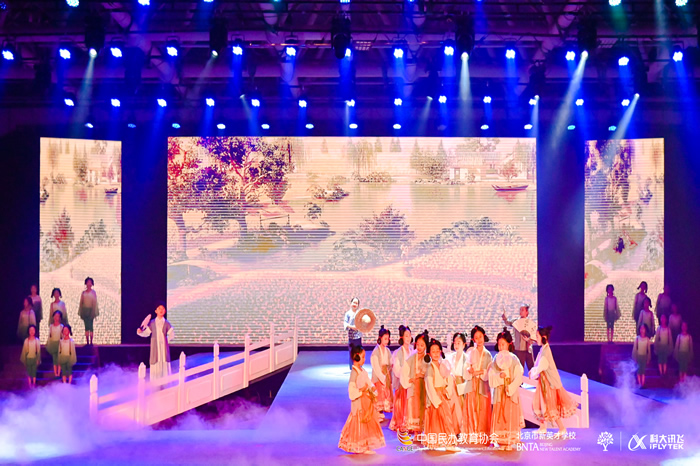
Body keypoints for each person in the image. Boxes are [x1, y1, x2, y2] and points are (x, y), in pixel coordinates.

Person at [530, 326, 577, 437]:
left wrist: (533, 372)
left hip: (548, 383)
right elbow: (538, 365)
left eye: (537, 336)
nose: (536, 338)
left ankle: (562, 428)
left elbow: (541, 366)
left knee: (550, 406)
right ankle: (542, 427)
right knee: (541, 404)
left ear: (544, 337)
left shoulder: (546, 351)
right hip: (543, 382)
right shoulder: (543, 349)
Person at [338, 345, 385, 455]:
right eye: (363, 357)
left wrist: (372, 388)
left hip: (365, 402)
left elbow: (367, 381)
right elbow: (351, 391)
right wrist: (361, 390)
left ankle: (365, 445)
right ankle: (361, 446)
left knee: (366, 422)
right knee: (360, 424)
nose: (364, 359)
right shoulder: (354, 373)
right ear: (356, 356)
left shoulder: (361, 370)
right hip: (359, 403)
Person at [488, 328, 525, 451]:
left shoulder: (514, 359)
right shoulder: (495, 359)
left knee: (509, 415)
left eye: (503, 344)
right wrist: (499, 376)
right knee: (500, 415)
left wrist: (510, 386)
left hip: (510, 393)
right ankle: (501, 441)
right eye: (499, 345)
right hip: (499, 393)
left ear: (509, 344)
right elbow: (491, 376)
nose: (501, 347)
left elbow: (519, 376)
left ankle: (509, 442)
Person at [423, 339, 459, 451]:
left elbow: (448, 378)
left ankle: (448, 443)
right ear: (429, 353)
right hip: (436, 397)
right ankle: (441, 443)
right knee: (437, 420)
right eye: (433, 351)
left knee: (446, 419)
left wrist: (447, 390)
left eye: (437, 351)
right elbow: (429, 385)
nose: (435, 353)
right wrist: (436, 400)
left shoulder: (442, 365)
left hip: (443, 395)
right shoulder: (430, 368)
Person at [465, 325, 492, 445]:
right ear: (473, 340)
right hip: (472, 384)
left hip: (483, 384)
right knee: (472, 408)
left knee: (483, 409)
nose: (479, 340)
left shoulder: (488, 354)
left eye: (480, 337)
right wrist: (469, 369)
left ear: (484, 337)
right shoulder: (470, 352)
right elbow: (466, 366)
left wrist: (480, 372)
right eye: (476, 338)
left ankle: (483, 435)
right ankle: (473, 434)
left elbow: (489, 371)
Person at [137, 303, 174, 380]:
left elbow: (172, 334)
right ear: (156, 311)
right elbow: (146, 333)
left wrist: (166, 340)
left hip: (164, 351)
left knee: (165, 370)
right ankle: (155, 386)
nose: (161, 310)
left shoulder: (167, 323)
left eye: (163, 309)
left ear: (165, 311)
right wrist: (140, 332)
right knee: (155, 370)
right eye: (159, 308)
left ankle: (166, 386)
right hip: (155, 350)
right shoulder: (152, 323)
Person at [389, 325, 412, 432]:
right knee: (401, 403)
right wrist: (404, 376)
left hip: (410, 382)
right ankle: (400, 423)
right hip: (402, 383)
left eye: (409, 335)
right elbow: (396, 369)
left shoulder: (412, 350)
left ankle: (409, 423)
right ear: (402, 337)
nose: (408, 338)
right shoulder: (398, 352)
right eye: (406, 336)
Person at [406, 330, 430, 434]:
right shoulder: (412, 358)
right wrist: (409, 379)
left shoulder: (428, 358)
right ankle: (416, 431)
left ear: (426, 346)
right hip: (414, 386)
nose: (419, 347)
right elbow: (405, 371)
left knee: (423, 407)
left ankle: (423, 430)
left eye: (422, 345)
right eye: (418, 344)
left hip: (424, 386)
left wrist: (421, 375)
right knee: (414, 407)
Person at [501, 305, 536, 373]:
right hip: (518, 349)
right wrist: (504, 317)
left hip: (528, 349)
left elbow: (533, 337)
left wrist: (529, 340)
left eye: (522, 310)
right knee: (519, 369)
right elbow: (508, 322)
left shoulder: (530, 323)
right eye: (520, 310)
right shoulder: (516, 321)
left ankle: (534, 380)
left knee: (532, 368)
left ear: (527, 312)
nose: (520, 311)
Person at [447, 332, 468, 432]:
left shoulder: (467, 358)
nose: (456, 345)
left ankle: (462, 429)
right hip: (451, 385)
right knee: (452, 408)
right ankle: (453, 429)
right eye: (455, 342)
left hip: (461, 385)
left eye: (459, 343)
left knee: (461, 408)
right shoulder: (450, 357)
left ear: (464, 344)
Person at [370, 325, 393, 418]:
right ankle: (378, 411)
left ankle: (383, 409)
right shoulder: (376, 351)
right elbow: (376, 366)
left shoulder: (387, 350)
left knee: (386, 392)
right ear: (380, 338)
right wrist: (381, 377)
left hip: (386, 373)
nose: (386, 341)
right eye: (385, 339)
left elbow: (390, 363)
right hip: (379, 374)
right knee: (379, 393)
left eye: (388, 339)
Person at [79, 277, 99, 346]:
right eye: (88, 282)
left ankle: (91, 342)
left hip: (91, 311)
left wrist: (93, 312)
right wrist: (81, 312)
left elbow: (95, 303)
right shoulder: (83, 293)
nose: (89, 284)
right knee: (86, 327)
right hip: (85, 311)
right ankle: (87, 342)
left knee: (91, 327)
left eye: (90, 282)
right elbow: (81, 303)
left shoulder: (93, 293)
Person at [343, 298, 362, 370]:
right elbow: (345, 323)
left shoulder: (359, 314)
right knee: (351, 353)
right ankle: (352, 369)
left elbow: (362, 323)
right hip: (351, 337)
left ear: (358, 305)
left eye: (356, 303)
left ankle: (359, 368)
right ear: (351, 303)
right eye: (354, 302)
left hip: (358, 337)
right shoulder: (347, 314)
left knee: (359, 353)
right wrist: (351, 327)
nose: (355, 304)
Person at [47, 310, 65, 377]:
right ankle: (55, 373)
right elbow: (50, 335)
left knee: (59, 359)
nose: (56, 317)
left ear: (60, 318)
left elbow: (63, 336)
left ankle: (59, 372)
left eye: (58, 316)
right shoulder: (51, 326)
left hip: (59, 343)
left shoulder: (61, 326)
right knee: (54, 359)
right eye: (55, 316)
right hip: (53, 344)